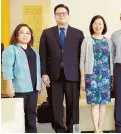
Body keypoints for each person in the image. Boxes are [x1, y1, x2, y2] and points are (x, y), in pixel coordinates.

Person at [39, 4, 84, 133]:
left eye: (64, 13)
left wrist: (82, 76)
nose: (61, 15)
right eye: (58, 13)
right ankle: (59, 129)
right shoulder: (47, 33)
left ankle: (73, 130)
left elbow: (82, 57)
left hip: (73, 75)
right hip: (53, 75)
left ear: (68, 16)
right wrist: (44, 73)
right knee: (55, 105)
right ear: (55, 16)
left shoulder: (78, 33)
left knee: (73, 105)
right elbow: (43, 55)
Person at [2, 23, 42, 133]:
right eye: (22, 32)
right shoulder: (11, 49)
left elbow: (37, 69)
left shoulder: (34, 51)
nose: (25, 35)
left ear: (31, 35)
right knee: (17, 116)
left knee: (32, 114)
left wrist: (39, 85)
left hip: (33, 88)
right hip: (18, 88)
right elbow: (7, 69)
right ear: (16, 35)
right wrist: (9, 86)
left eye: (28, 33)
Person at [80, 15, 113, 133]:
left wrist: (112, 76)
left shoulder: (108, 41)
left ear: (103, 26)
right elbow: (82, 60)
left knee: (103, 104)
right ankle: (95, 129)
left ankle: (100, 128)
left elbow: (111, 60)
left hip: (105, 75)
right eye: (95, 23)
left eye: (100, 23)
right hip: (91, 75)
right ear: (92, 25)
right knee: (94, 104)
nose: (98, 26)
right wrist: (83, 79)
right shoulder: (87, 40)